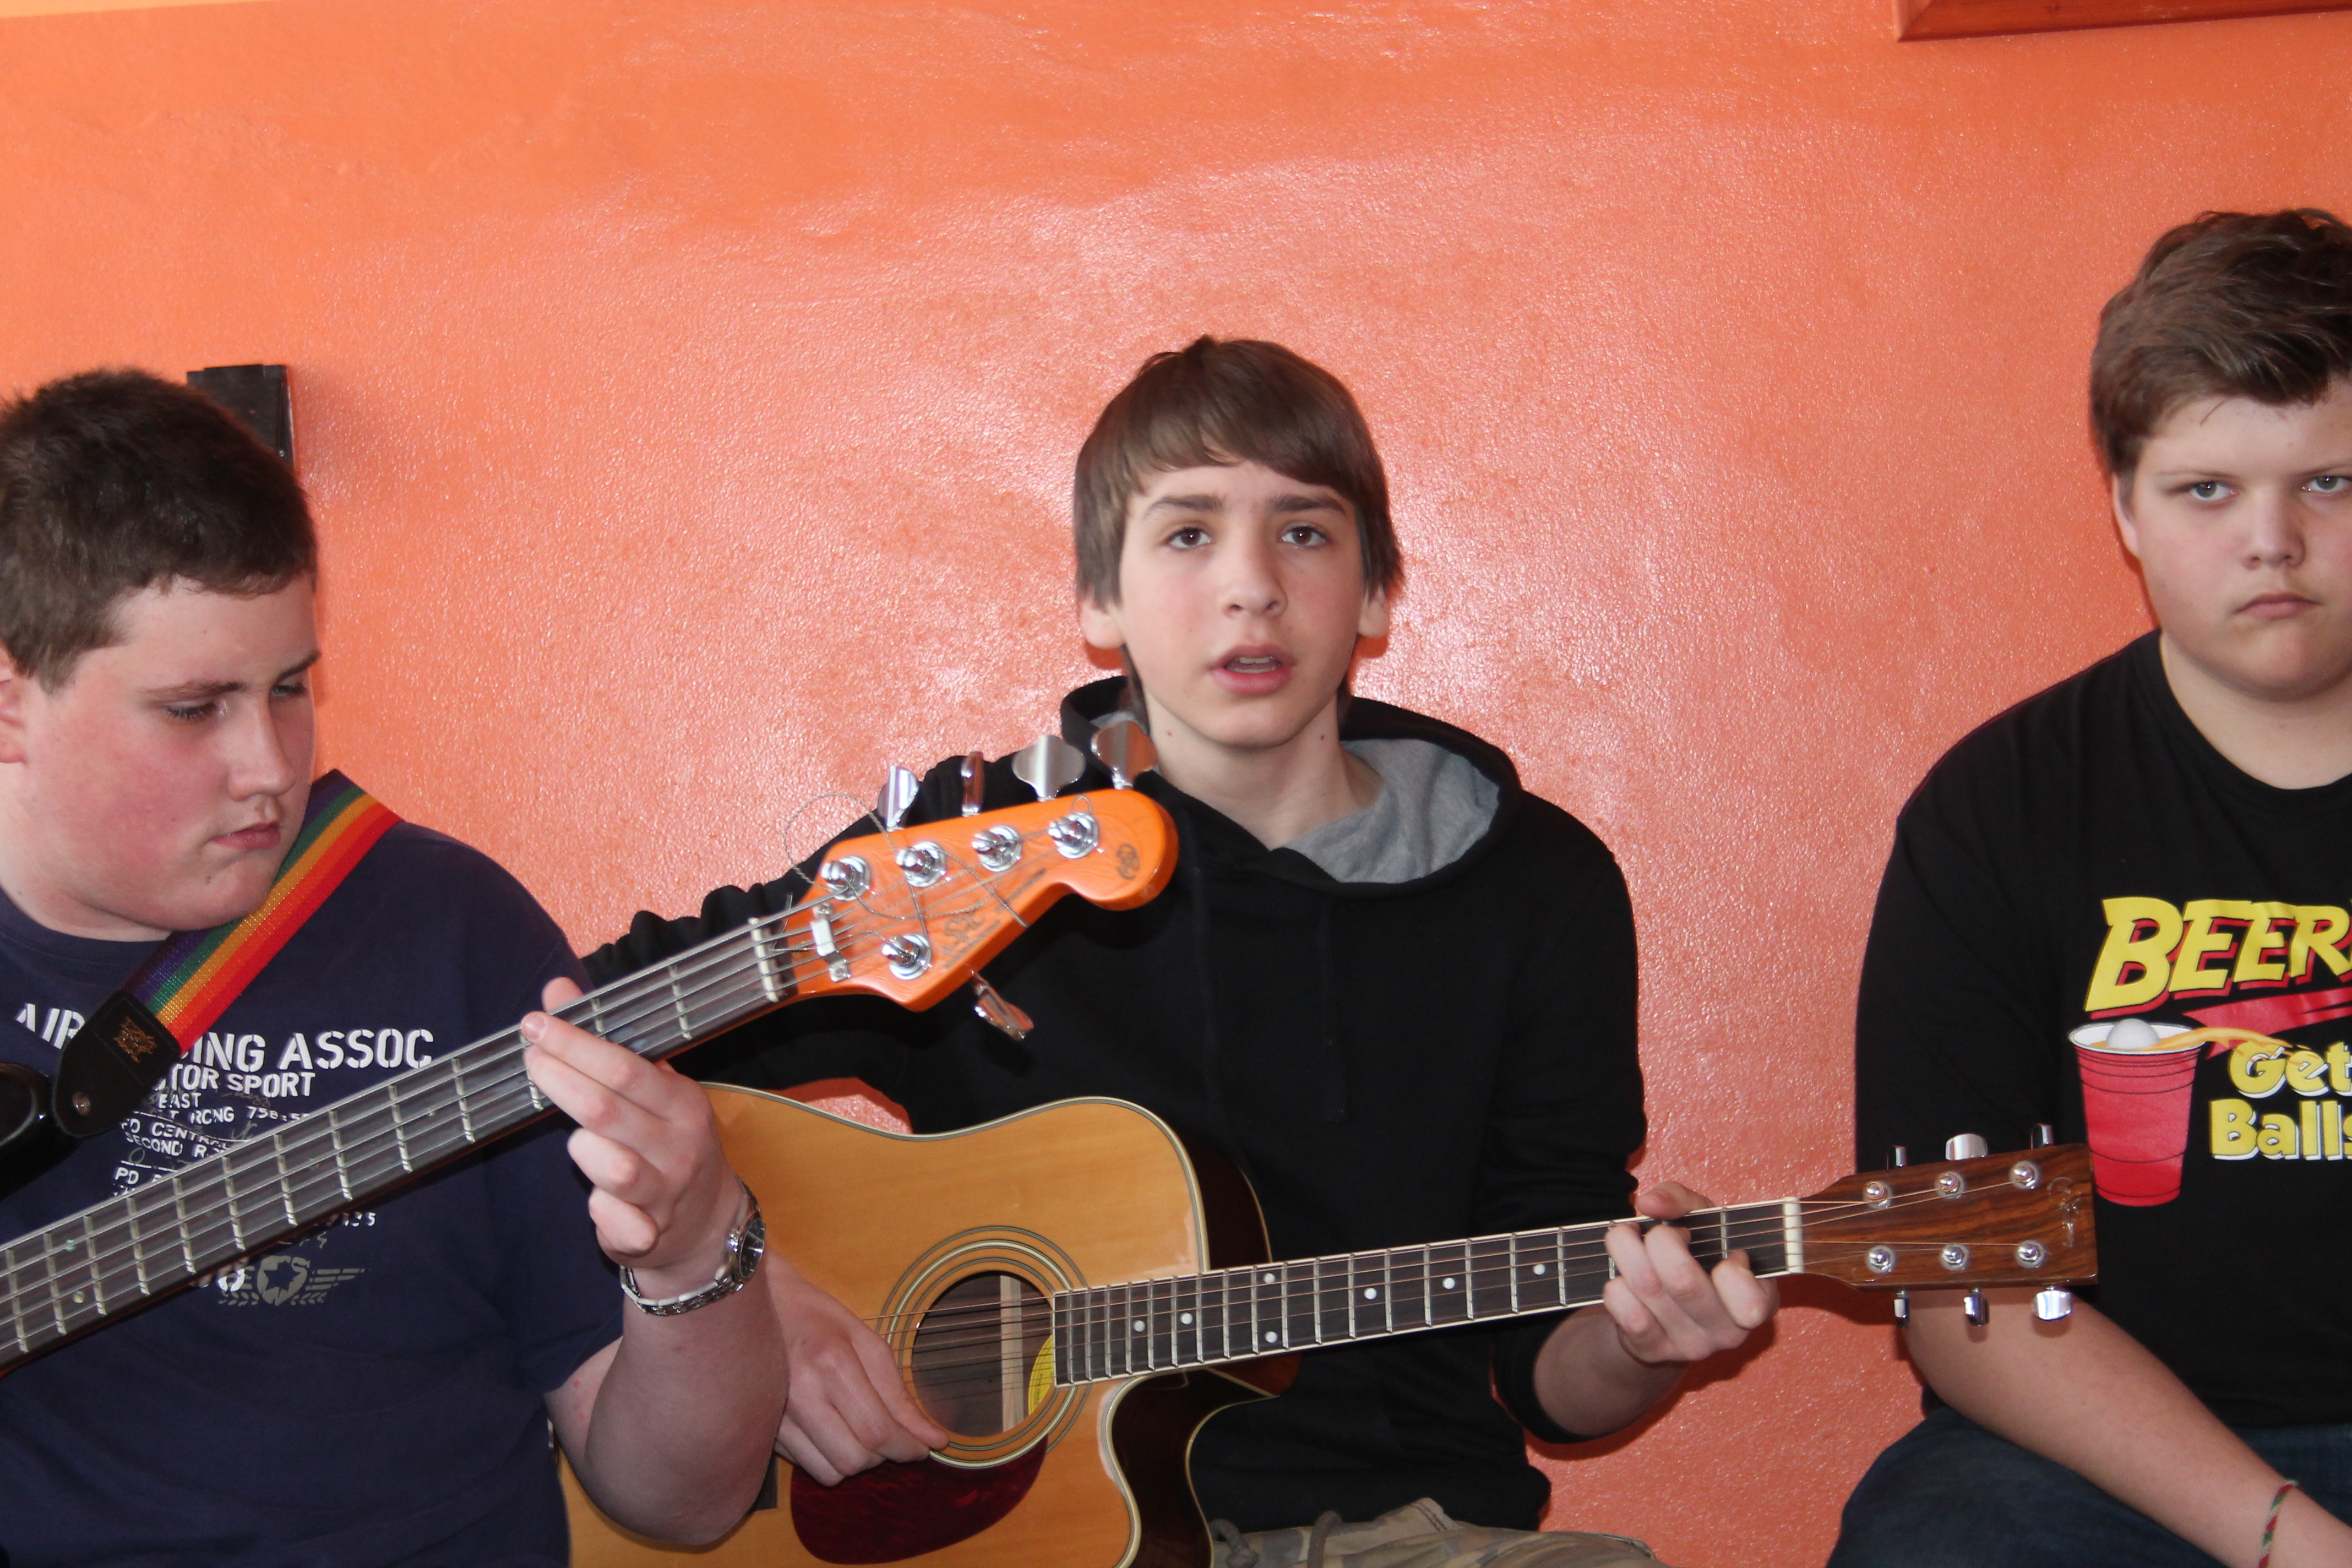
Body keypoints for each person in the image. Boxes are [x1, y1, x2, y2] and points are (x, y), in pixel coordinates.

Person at [590, 336, 1777, 1566]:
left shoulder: (1535, 888)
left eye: (1304, 532)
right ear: (1098, 603)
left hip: (1404, 1533)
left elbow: (1549, 1375)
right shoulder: (971, 857)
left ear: (1377, 594)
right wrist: (736, 1281)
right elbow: (575, 1046)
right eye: (1189, 533)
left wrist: (1642, 1340)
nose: (1251, 585)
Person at [0, 369, 785, 1565]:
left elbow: (683, 1502)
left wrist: (697, 1252)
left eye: (288, 687)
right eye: (195, 707)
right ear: (11, 702)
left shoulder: (454, 933)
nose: (269, 766)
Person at [1831, 210, 2352, 1568]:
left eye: (2330, 481)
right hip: (2115, 1460)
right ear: (2123, 506)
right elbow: (1960, 1291)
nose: (2275, 542)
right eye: (2207, 490)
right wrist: (2293, 1540)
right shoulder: (1999, 809)